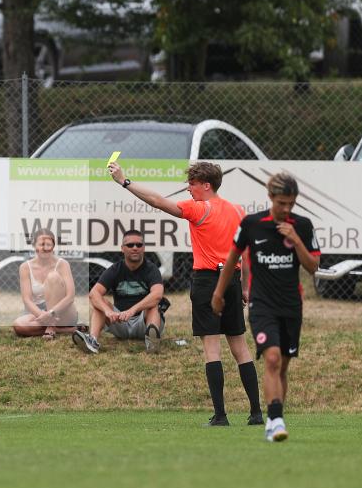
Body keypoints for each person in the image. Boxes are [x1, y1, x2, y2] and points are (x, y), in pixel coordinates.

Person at [109, 160, 262, 427]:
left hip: (207, 282)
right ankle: (256, 413)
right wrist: (245, 285)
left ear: (206, 185)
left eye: (192, 184)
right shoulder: (238, 211)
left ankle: (221, 416)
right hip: (233, 281)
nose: (188, 188)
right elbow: (246, 252)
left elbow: (157, 201)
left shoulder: (199, 209)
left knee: (212, 349)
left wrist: (125, 181)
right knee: (241, 348)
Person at [212, 173, 320, 442]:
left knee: (282, 366)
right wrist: (218, 293)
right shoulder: (252, 224)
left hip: (291, 306)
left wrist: (295, 240)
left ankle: (274, 418)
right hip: (262, 305)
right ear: (270, 197)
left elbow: (313, 267)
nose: (286, 209)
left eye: (291, 204)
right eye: (282, 202)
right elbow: (233, 257)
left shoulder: (303, 226)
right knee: (271, 358)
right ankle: (275, 420)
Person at [78, 229, 166, 354]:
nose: (135, 248)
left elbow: (157, 295)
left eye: (139, 245)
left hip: (144, 323)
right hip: (120, 322)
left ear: (144, 248)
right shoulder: (114, 270)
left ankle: (152, 343)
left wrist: (132, 310)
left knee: (153, 306)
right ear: (122, 248)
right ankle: (92, 341)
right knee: (100, 304)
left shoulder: (152, 269)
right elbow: (93, 294)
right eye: (130, 245)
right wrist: (108, 311)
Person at [12, 228, 79, 340]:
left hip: (62, 311)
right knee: (18, 325)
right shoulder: (25, 267)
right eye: (41, 244)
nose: (45, 248)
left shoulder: (62, 264)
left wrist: (51, 313)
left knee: (52, 277)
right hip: (39, 312)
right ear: (34, 245)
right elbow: (27, 299)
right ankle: (67, 330)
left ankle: (52, 327)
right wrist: (43, 316)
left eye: (49, 244)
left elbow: (70, 297)